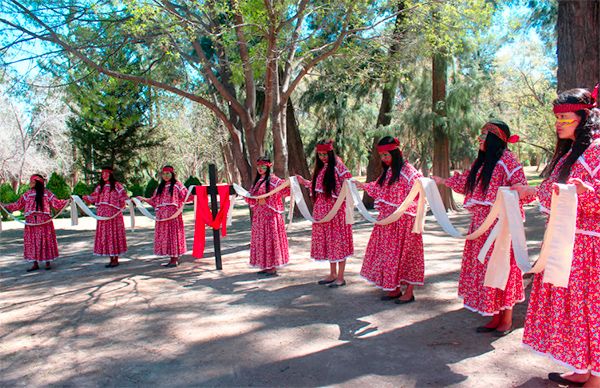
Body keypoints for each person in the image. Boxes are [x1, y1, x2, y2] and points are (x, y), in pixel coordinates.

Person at [512, 86, 600, 387]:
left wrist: (585, 196)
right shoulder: (569, 156)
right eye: (557, 117)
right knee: (571, 306)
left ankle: (595, 379)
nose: (559, 123)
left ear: (585, 117)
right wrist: (528, 191)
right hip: (564, 242)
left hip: (588, 246)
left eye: (566, 118)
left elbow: (593, 195)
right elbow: (552, 189)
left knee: (589, 308)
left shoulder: (598, 149)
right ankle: (580, 366)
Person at [432, 120, 527, 336]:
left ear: (495, 139)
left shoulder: (508, 161)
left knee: (503, 268)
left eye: (484, 135)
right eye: (480, 135)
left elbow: (520, 188)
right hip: (480, 227)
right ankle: (494, 314)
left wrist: (517, 192)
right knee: (485, 270)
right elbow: (466, 183)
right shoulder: (483, 163)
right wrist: (442, 181)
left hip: (501, 227)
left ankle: (507, 319)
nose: (480, 139)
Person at [355, 136, 424, 303]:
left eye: (387, 155)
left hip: (404, 222)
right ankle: (393, 288)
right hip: (387, 222)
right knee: (389, 255)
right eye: (382, 156)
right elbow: (378, 188)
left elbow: (420, 192)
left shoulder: (409, 172)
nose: (384, 159)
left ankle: (409, 292)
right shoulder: (388, 172)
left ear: (396, 152)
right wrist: (362, 185)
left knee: (407, 255)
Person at [296, 139, 353, 287]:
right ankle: (332, 273)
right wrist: (304, 182)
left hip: (336, 213)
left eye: (325, 154)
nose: (322, 157)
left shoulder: (339, 167)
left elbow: (348, 184)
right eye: (320, 154)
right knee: (329, 243)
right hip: (321, 212)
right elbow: (318, 187)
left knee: (338, 243)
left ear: (331, 152)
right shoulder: (322, 168)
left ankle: (341, 277)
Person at [1, 174, 69, 271]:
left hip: (44, 223)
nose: (30, 183)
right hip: (31, 223)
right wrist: (5, 205)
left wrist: (68, 201)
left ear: (37, 183)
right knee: (33, 242)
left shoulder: (47, 193)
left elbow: (56, 203)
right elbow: (17, 205)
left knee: (45, 241)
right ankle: (35, 263)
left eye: (32, 181)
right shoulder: (27, 194)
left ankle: (47, 262)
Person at [245, 157, 290, 276]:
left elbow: (286, 190)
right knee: (262, 240)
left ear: (269, 167)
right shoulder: (258, 181)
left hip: (270, 215)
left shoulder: (274, 181)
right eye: (258, 166)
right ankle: (265, 265)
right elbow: (251, 196)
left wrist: (269, 199)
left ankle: (272, 267)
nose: (260, 169)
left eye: (263, 166)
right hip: (259, 216)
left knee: (270, 240)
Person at [137, 166, 189, 267]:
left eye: (168, 173)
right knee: (166, 236)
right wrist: (143, 199)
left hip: (173, 216)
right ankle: (171, 258)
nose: (165, 176)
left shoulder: (178, 185)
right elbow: (154, 201)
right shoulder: (159, 188)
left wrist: (197, 194)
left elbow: (186, 196)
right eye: (164, 174)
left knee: (173, 236)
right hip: (162, 217)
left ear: (172, 174)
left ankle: (174, 259)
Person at [83, 167, 129, 268]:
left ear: (111, 174)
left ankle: (115, 259)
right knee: (107, 236)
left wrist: (129, 201)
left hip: (114, 216)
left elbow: (123, 197)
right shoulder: (100, 187)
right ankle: (111, 258)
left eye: (106, 174)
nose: (104, 176)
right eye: (102, 174)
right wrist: (82, 197)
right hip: (103, 216)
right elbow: (94, 197)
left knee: (114, 235)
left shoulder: (117, 186)